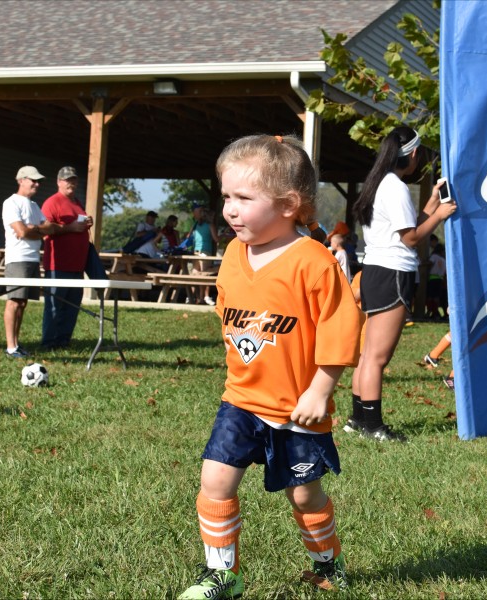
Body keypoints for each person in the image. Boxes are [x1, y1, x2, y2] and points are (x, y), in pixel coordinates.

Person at [177, 134, 361, 599]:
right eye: (226, 197)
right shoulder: (234, 254)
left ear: (288, 205)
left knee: (304, 495)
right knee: (215, 479)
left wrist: (320, 390)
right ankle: (224, 574)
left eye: (244, 198)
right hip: (241, 399)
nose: (230, 210)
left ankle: (328, 561)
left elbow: (340, 331)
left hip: (298, 407)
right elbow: (228, 309)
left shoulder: (314, 261)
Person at [347, 126, 457, 441]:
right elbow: (410, 239)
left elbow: (408, 226)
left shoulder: (379, 183)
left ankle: (358, 420)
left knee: (368, 354)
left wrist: (434, 203)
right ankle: (373, 427)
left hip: (375, 271)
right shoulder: (394, 187)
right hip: (392, 274)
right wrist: (443, 215)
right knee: (377, 358)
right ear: (411, 154)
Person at [1, 166, 66, 358]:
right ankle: (10, 347)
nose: (37, 184)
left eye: (38, 181)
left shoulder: (35, 206)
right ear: (21, 180)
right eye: (33, 181)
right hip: (17, 260)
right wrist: (35, 230)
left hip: (32, 259)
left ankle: (16, 343)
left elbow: (50, 229)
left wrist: (33, 228)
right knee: (13, 302)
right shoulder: (11, 203)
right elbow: (21, 232)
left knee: (22, 303)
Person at [40, 166, 94, 350]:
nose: (70, 183)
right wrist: (71, 228)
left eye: (73, 179)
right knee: (55, 306)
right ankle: (49, 342)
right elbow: (45, 229)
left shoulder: (77, 202)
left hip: (77, 265)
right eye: (66, 179)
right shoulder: (52, 202)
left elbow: (77, 224)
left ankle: (64, 341)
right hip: (58, 264)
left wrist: (87, 222)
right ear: (58, 182)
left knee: (72, 307)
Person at [188, 203, 219, 305]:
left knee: (195, 275)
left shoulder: (196, 224)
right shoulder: (210, 225)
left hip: (196, 252)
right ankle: (202, 298)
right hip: (205, 252)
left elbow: (188, 236)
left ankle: (192, 298)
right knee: (205, 275)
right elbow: (216, 239)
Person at [425, 243, 447, 319]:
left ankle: (429, 312)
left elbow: (429, 263)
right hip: (440, 279)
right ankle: (435, 313)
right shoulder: (443, 259)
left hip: (432, 278)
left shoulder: (434, 256)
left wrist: (423, 263)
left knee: (430, 297)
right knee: (437, 297)